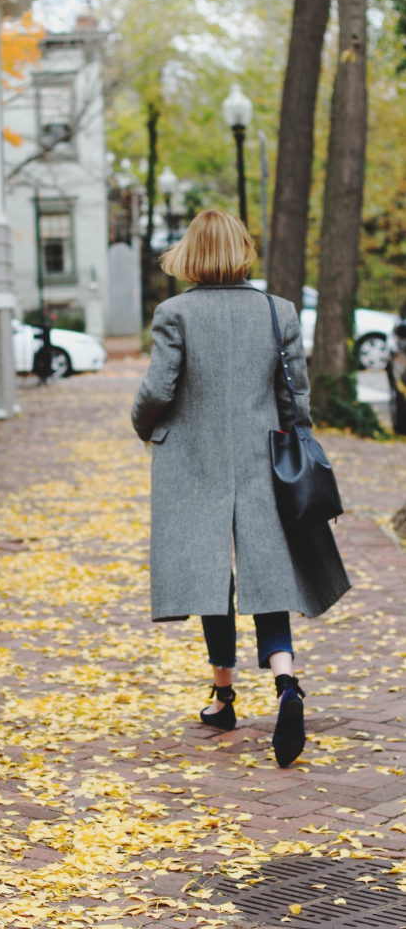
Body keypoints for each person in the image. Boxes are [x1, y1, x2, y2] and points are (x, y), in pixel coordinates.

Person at [131, 209, 350, 768]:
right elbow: (294, 397)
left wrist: (144, 425)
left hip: (195, 460)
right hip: (262, 457)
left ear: (191, 256)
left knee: (212, 575)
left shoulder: (174, 312)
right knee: (266, 570)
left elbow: (159, 388)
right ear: (243, 249)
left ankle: (224, 697)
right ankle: (286, 683)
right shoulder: (279, 311)